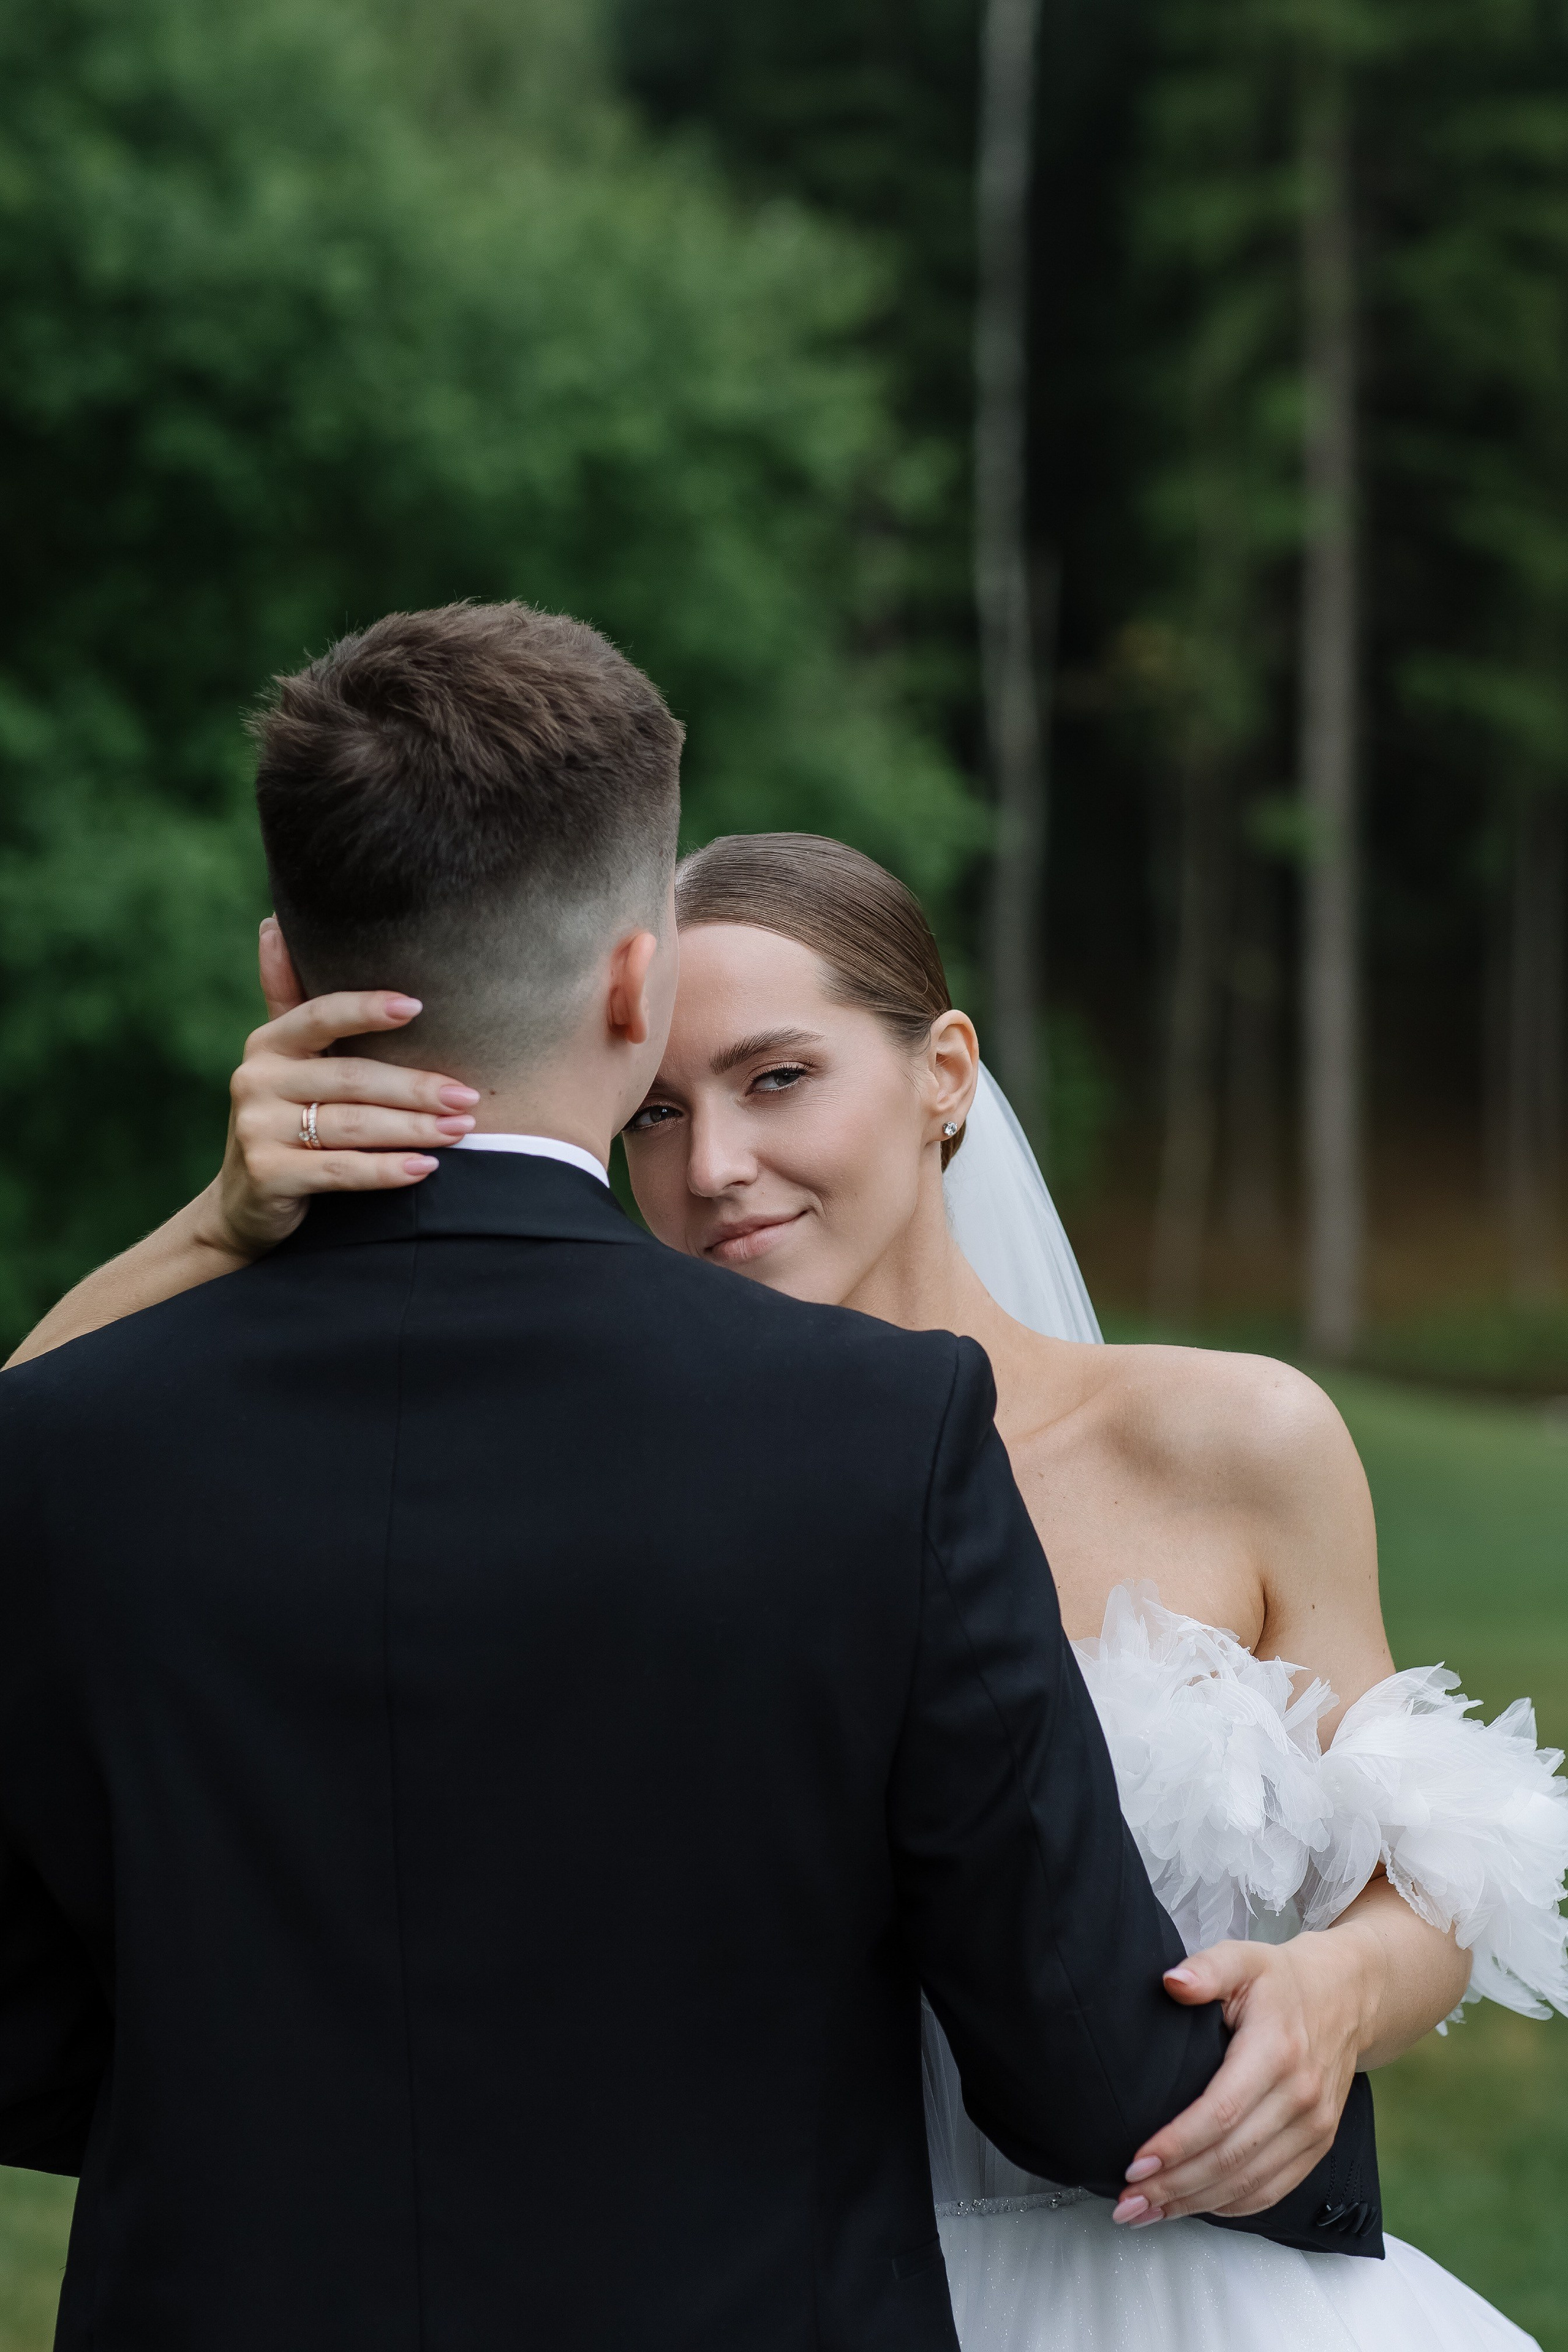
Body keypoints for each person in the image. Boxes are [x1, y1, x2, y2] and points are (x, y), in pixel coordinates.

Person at [0, 605, 1382, 2352]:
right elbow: (1089, 2074)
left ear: (288, 977)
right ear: (639, 990)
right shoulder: (878, 1437)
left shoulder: (63, 1438)